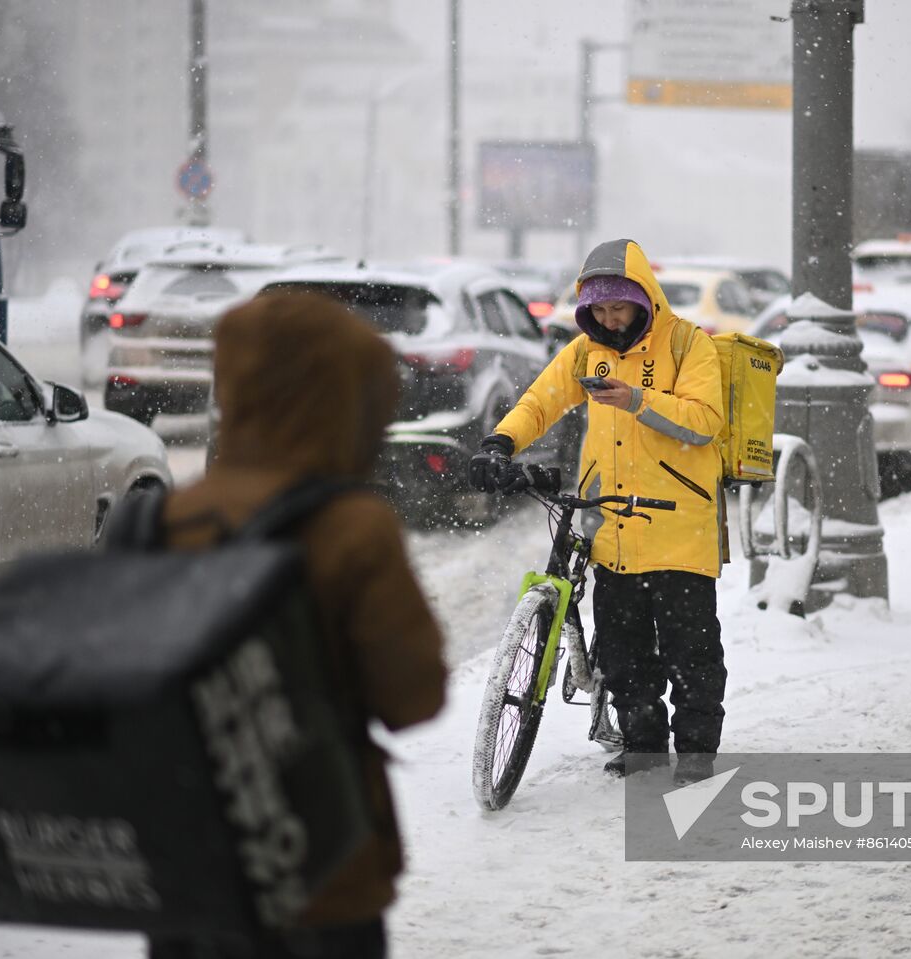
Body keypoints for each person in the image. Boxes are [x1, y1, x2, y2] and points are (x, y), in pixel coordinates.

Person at [151, 292, 447, 958]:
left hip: (189, 860)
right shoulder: (351, 526)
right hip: (322, 858)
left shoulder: (169, 518)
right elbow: (414, 697)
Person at [468, 238, 727, 785]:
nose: (609, 320)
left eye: (619, 307)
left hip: (680, 522)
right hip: (613, 522)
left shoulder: (687, 346)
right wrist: (501, 442)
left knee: (691, 651)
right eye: (599, 310)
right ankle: (644, 747)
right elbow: (541, 400)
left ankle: (698, 753)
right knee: (624, 652)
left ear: (643, 299)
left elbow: (704, 422)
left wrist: (636, 399)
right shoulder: (587, 351)